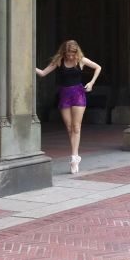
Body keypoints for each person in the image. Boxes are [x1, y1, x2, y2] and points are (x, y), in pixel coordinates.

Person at [36, 40, 102, 173]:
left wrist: (91, 83)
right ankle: (75, 156)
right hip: (64, 95)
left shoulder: (81, 60)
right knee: (69, 127)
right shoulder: (59, 61)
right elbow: (43, 73)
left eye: (72, 54)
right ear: (64, 52)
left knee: (76, 127)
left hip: (78, 94)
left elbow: (98, 67)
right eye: (68, 54)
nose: (70, 57)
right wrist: (29, 64)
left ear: (76, 52)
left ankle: (74, 157)